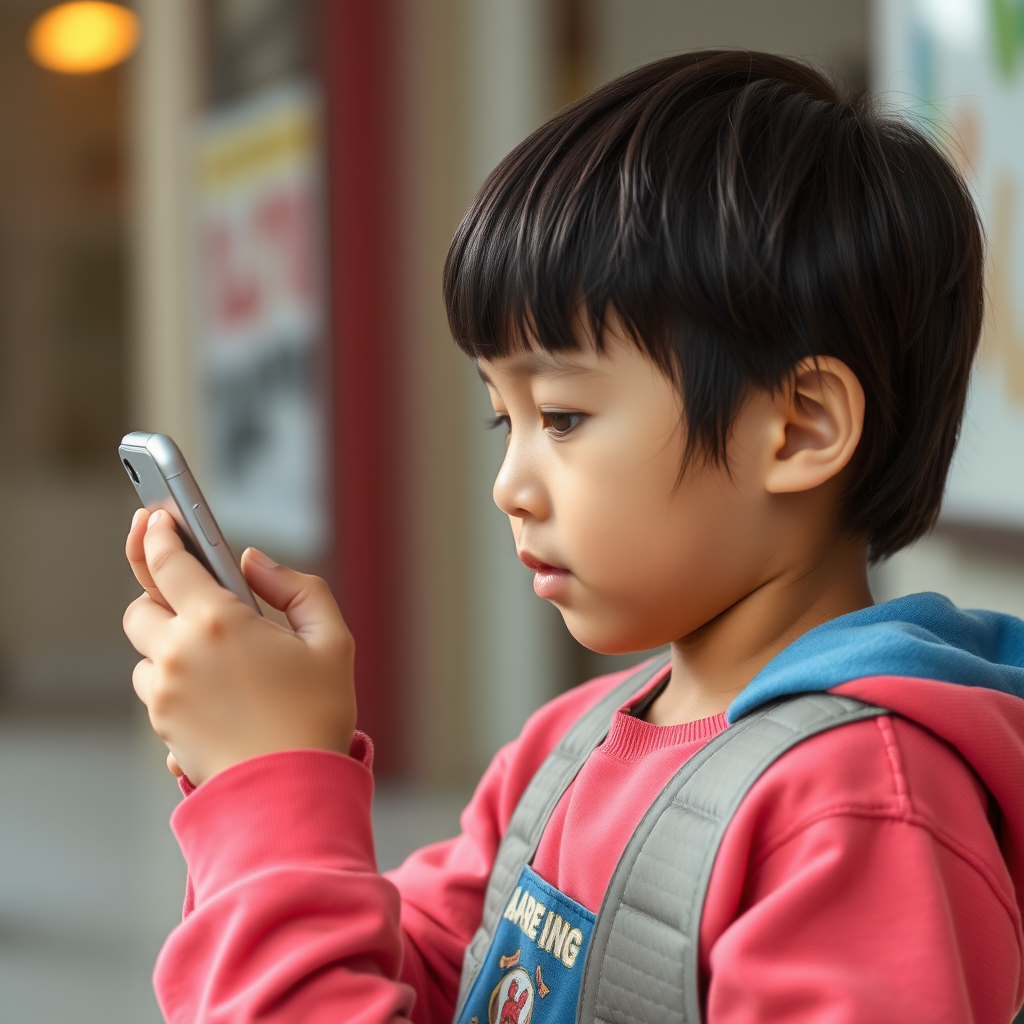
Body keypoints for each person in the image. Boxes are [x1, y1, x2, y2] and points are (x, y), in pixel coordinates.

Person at [122, 51, 1024, 1023]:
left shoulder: (857, 813)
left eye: (559, 417)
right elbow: (412, 976)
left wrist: (269, 785)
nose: (509, 485)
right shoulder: (567, 746)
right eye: (499, 419)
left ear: (799, 426)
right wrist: (256, 777)